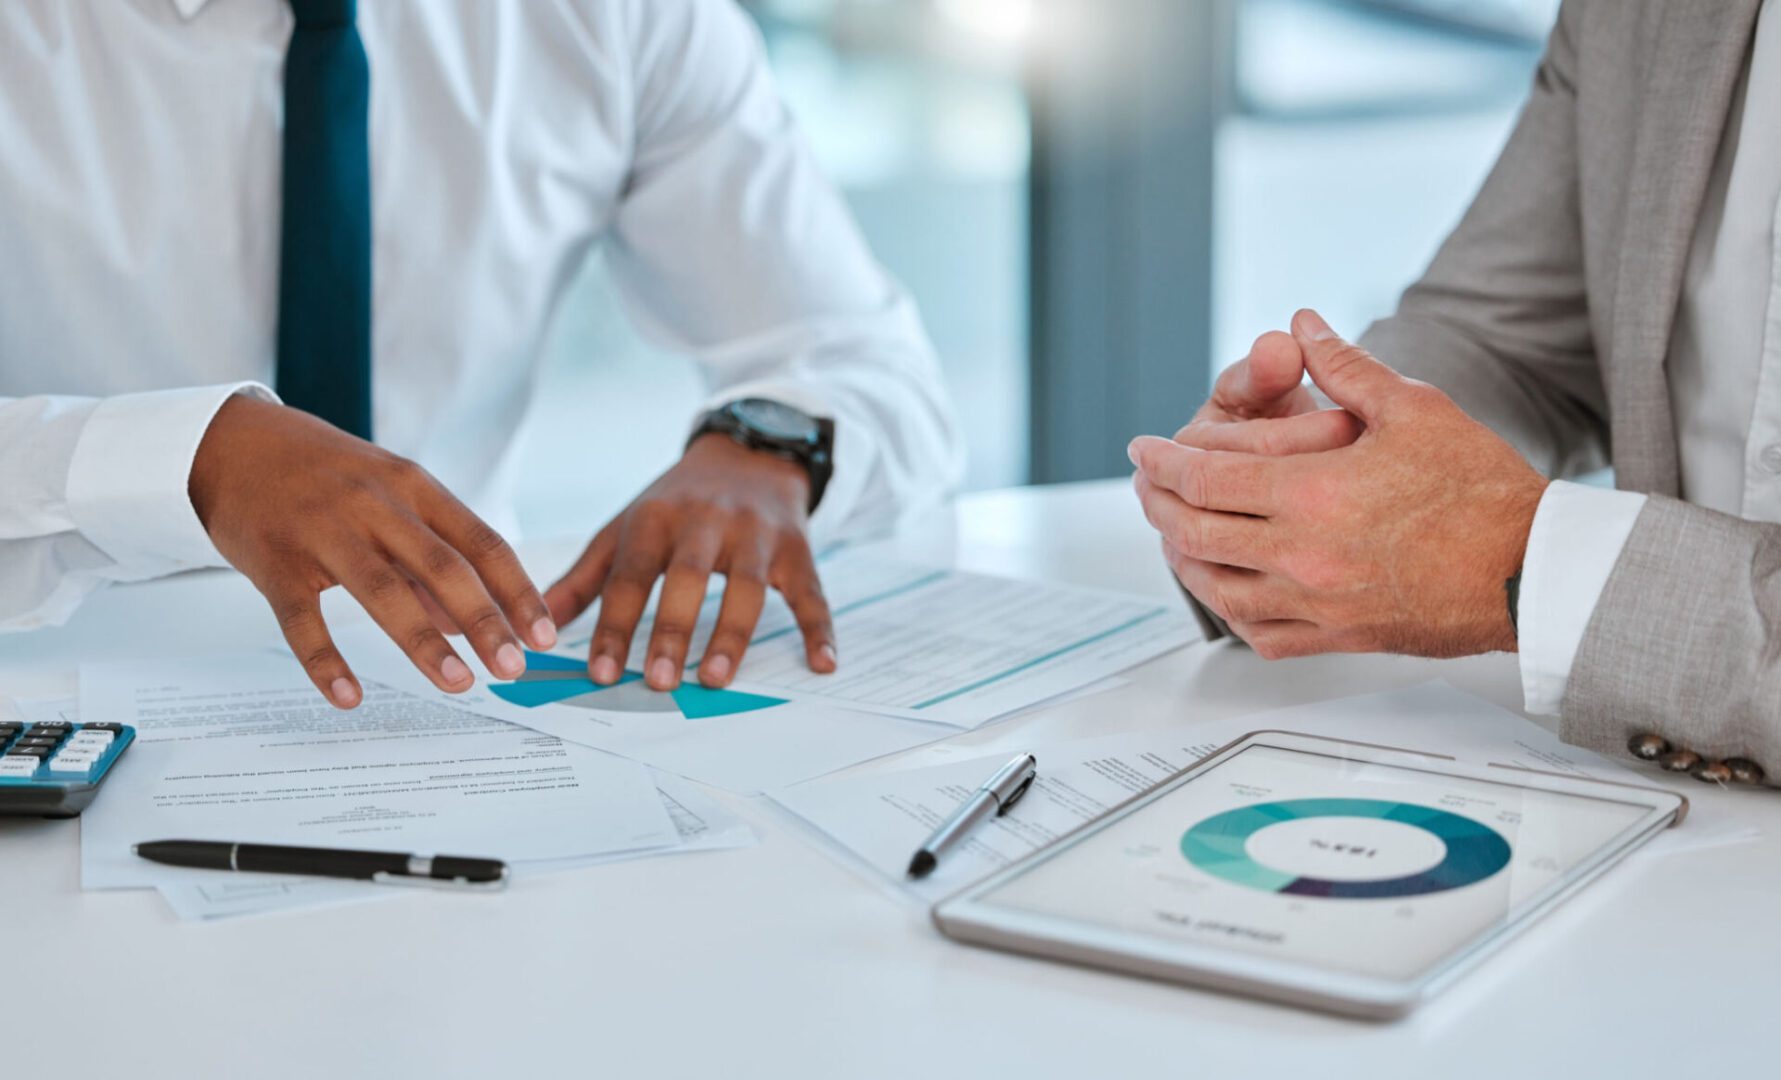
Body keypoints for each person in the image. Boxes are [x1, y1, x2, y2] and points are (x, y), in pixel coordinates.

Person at [0, 0, 961, 707]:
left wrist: (767, 446)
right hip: (52, 693)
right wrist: (189, 459)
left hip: (469, 697)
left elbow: (867, 361)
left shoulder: (618, 17)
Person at [1129, 0, 1780, 785]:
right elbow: (1511, 341)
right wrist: (1327, 474)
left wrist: (1525, 564)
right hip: (1659, 799)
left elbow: (1509, 543)